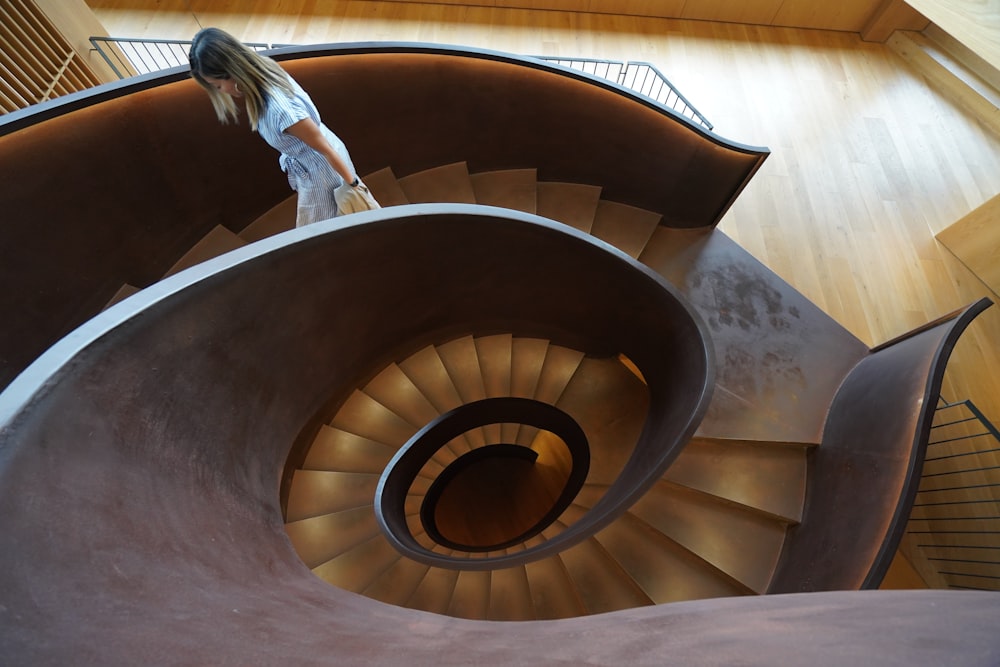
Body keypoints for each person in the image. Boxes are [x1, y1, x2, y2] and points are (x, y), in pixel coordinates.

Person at [189, 27, 377, 226]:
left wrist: (355, 186)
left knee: (320, 229)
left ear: (232, 73)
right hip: (313, 166)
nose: (222, 92)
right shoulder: (265, 72)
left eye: (218, 86)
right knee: (332, 222)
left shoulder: (281, 111)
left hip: (323, 172)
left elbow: (325, 149)